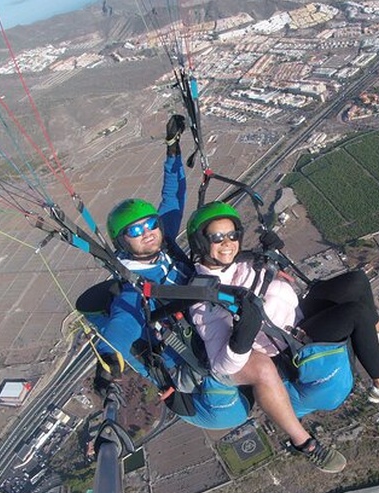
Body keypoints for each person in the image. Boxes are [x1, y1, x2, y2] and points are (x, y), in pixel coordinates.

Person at [93, 117, 345, 473]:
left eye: (151, 224)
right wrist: (108, 367)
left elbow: (172, 196)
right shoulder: (135, 286)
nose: (149, 232)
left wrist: (172, 149)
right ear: (122, 241)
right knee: (259, 369)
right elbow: (119, 327)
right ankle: (304, 442)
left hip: (219, 317)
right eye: (136, 230)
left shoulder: (164, 249)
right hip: (198, 349)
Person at [186, 202, 379, 413]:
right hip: (289, 345)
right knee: (355, 313)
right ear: (200, 242)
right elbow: (221, 365)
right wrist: (241, 339)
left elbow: (263, 283)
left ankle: (378, 334)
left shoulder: (240, 262)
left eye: (232, 235)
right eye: (217, 237)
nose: (227, 243)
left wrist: (271, 255)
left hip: (297, 314)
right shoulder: (206, 299)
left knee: (356, 281)